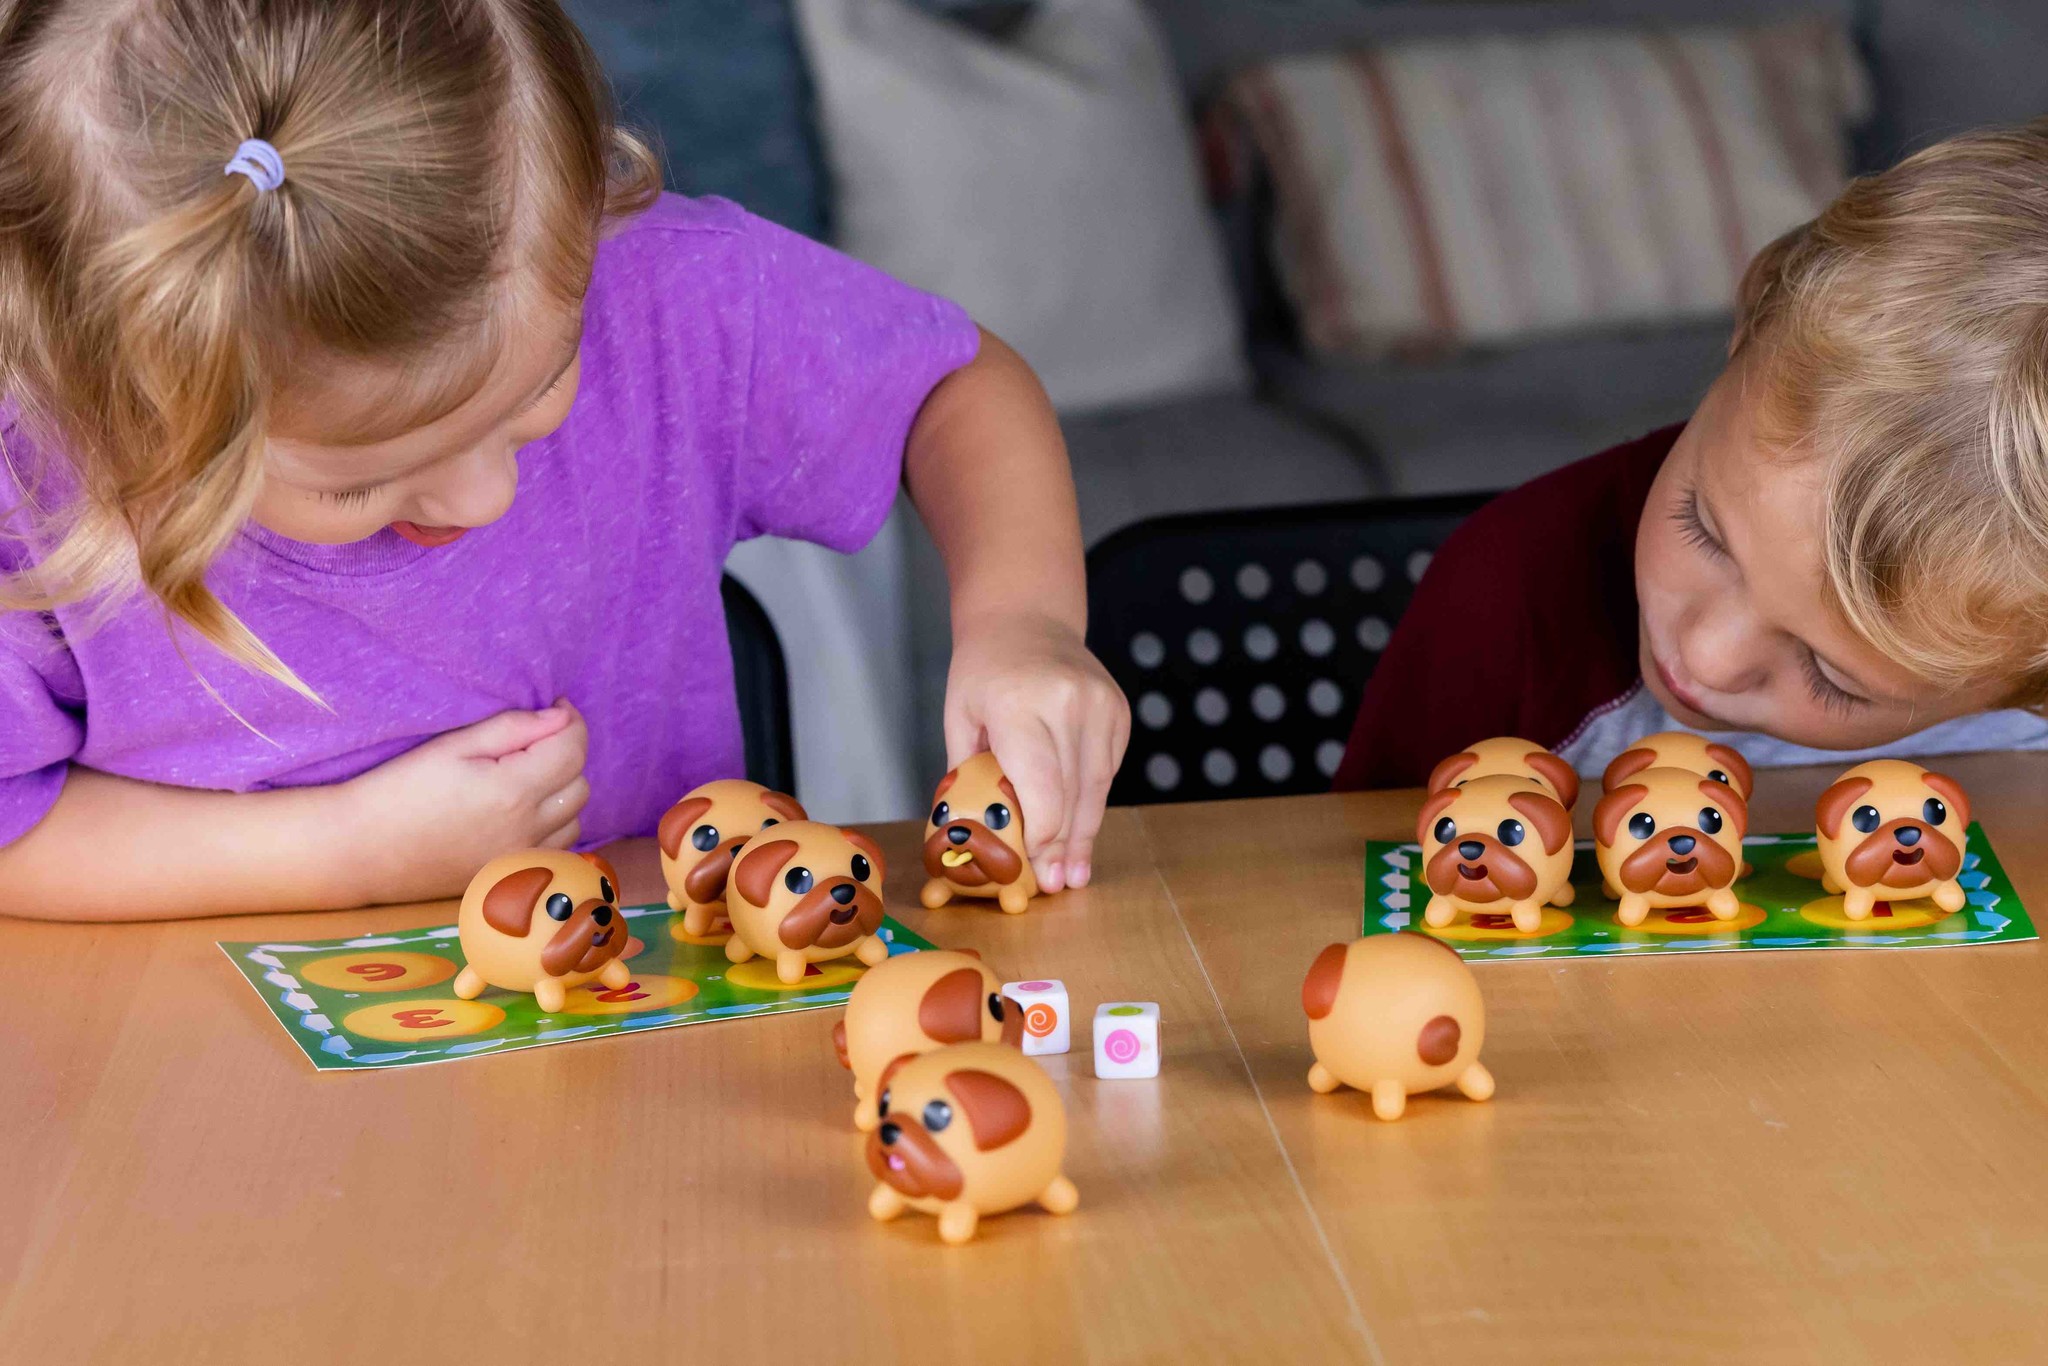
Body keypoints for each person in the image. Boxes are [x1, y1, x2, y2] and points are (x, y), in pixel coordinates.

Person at [0, 0, 1128, 919]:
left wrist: (1021, 621)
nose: (487, 495)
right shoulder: (28, 475)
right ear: (116, 408)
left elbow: (952, 387)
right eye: (360, 479)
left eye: (539, 389)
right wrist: (339, 854)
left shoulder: (661, 293)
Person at [1335, 120, 2048, 792]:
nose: (1707, 656)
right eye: (1703, 528)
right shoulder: (1509, 597)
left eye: (1833, 678)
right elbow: (1352, 882)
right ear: (1752, 322)